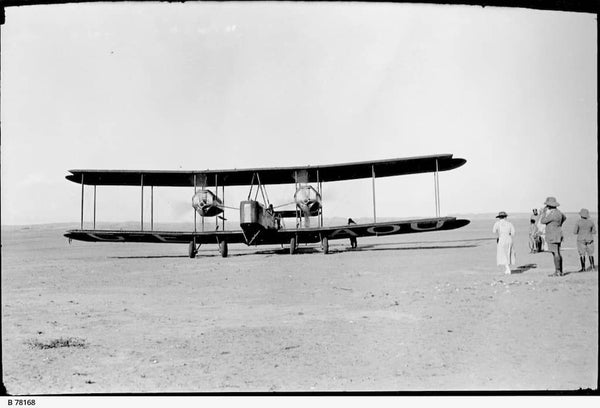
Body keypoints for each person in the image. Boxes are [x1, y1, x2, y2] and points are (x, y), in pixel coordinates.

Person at [539, 197, 567, 277]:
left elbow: (543, 221)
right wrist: (559, 224)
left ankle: (557, 271)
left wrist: (543, 213)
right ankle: (560, 271)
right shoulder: (559, 212)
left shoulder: (552, 214)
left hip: (552, 235)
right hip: (558, 233)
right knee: (557, 252)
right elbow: (565, 218)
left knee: (555, 253)